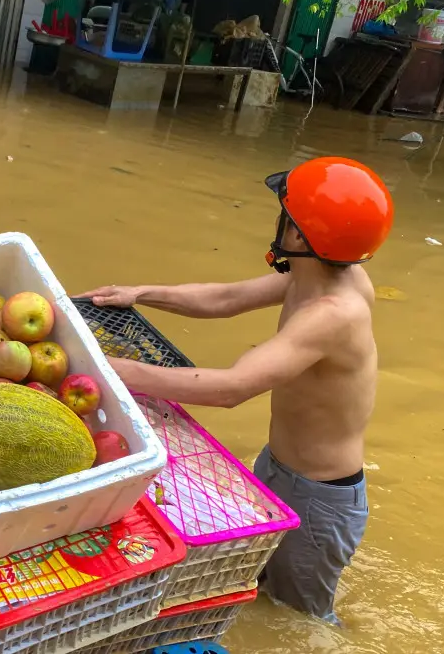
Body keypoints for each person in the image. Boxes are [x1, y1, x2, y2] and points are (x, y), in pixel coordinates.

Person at [77, 156, 394, 625]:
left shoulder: (333, 312)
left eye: (287, 214)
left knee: (300, 620)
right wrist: (140, 293)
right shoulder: (314, 274)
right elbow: (226, 299)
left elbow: (231, 387)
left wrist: (111, 370)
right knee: (252, 590)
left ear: (301, 236)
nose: (279, 218)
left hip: (320, 496)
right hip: (278, 467)